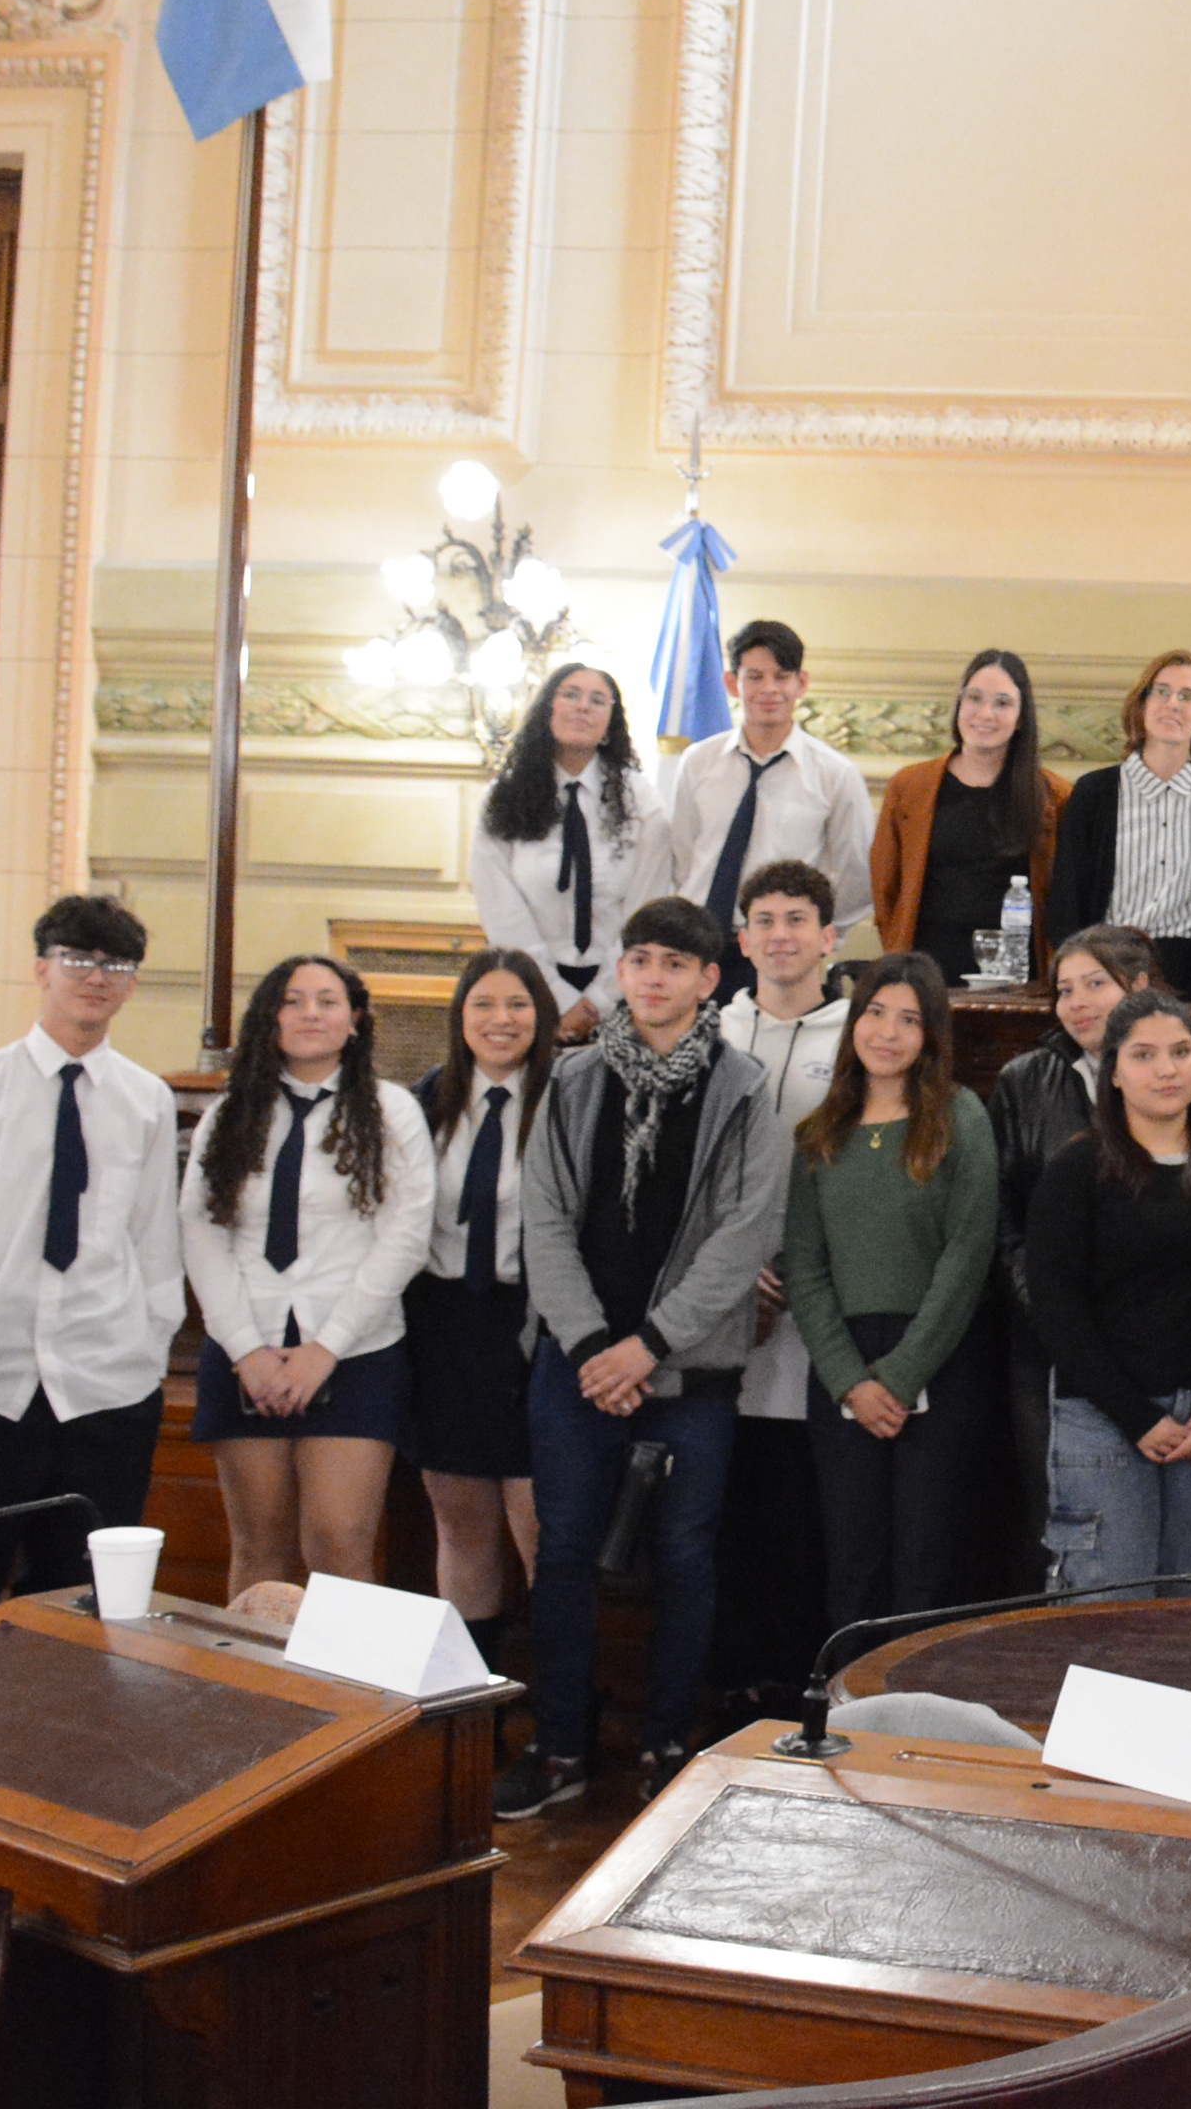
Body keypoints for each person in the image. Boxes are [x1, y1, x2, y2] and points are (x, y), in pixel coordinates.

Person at [508, 896, 790, 1818]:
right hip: (579, 1365)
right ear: (622, 973)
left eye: (675, 964)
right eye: (640, 962)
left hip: (688, 1372)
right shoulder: (574, 1079)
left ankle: (669, 1742)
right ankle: (559, 1745)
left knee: (685, 1559)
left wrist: (650, 1345)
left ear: (710, 979)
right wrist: (596, 1345)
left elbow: (746, 1235)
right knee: (562, 1555)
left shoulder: (743, 1090)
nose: (655, 978)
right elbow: (545, 1220)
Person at [0, 894, 181, 1605]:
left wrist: (149, 1350)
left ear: (131, 984)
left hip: (107, 1382)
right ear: (41, 969)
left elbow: (155, 1239)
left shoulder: (147, 1100)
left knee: (87, 1601)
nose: (95, 977)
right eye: (77, 960)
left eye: (115, 965)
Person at [182, 956, 436, 1602]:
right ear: (270, 1019)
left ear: (355, 1020)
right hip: (247, 1353)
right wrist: (246, 1350)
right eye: (292, 1001)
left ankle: (346, 1675)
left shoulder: (392, 1111)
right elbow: (203, 1234)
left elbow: (405, 1239)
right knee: (260, 1549)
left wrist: (326, 1348)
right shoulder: (229, 1115)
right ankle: (257, 1674)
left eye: (327, 1000)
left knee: (339, 1543)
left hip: (355, 1351)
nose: (310, 1014)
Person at [784, 956, 1000, 1630]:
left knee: (925, 1561)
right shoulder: (820, 1132)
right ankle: (847, 1698)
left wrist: (902, 1376)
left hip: (936, 1359)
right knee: (853, 1560)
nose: (887, 1033)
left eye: (909, 1019)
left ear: (930, 1035)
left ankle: (912, 1701)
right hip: (844, 1368)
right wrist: (852, 1382)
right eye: (876, 1013)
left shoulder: (960, 1117)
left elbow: (968, 1253)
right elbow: (805, 1267)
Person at [1025, 987, 1191, 1587]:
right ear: (1114, 1073)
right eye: (1144, 1055)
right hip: (1102, 1415)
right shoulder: (1076, 1170)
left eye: (1181, 1051)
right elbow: (1056, 1308)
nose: (1167, 1070)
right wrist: (1135, 1416)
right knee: (1108, 1608)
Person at [710, 863, 855, 1718]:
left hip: (816, 1314)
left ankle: (796, 1699)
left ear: (829, 937)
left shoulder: (858, 1037)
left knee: (802, 1521)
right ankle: (729, 1694)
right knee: (727, 1519)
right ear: (743, 939)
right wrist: (733, 1277)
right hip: (720, 1310)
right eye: (764, 920)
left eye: (797, 919)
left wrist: (800, 1271)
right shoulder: (712, 1030)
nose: (781, 935)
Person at [984, 923, 1167, 1583]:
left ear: (1139, 986)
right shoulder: (1025, 1079)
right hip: (1047, 1341)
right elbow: (1002, 1217)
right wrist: (1053, 1315)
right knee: (1063, 1523)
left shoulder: (1181, 1075)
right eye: (1065, 990)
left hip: (1157, 1344)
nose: (1077, 1003)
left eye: (1095, 984)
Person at [405, 951, 554, 1675]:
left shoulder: (565, 1100)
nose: (501, 1020)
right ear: (459, 1017)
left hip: (536, 1329)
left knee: (541, 1529)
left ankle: (557, 1704)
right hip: (444, 1328)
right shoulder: (421, 1104)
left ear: (542, 1016)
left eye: (518, 1005)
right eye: (483, 1005)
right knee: (461, 1527)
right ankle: (471, 1701)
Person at [658, 621, 879, 999]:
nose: (769, 689)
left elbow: (855, 874)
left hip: (778, 952)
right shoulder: (698, 762)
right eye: (755, 677)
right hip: (695, 946)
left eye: (782, 676)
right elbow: (681, 856)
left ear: (801, 683)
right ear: (733, 684)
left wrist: (817, 940)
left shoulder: (833, 774)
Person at [1051, 651, 1191, 1000]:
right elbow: (1066, 897)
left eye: (1187, 696)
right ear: (1142, 706)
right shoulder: (1095, 793)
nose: (1173, 704)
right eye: (1162, 692)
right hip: (1105, 966)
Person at [871, 649, 1071, 979]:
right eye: (974, 698)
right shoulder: (909, 787)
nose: (985, 713)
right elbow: (885, 887)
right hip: (926, 972)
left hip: (1018, 976)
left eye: (1003, 703)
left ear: (1022, 717)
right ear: (959, 706)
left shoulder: (1055, 797)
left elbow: (1063, 900)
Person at [470, 663, 649, 1031]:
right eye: (570, 695)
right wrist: (554, 995)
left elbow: (647, 903)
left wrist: (601, 999)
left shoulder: (641, 800)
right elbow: (500, 904)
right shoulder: (504, 796)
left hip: (623, 987)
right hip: (527, 986)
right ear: (547, 709)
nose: (583, 706)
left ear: (610, 723)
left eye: (597, 700)